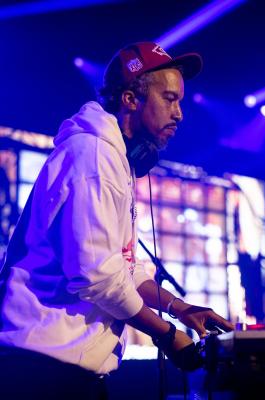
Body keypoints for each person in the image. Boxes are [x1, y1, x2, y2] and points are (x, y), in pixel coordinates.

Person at [0, 42, 234, 399]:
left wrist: (181, 308)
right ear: (130, 99)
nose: (179, 114)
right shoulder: (94, 156)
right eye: (170, 99)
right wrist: (168, 335)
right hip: (41, 368)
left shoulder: (114, 158)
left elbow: (122, 268)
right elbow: (98, 276)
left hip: (60, 368)